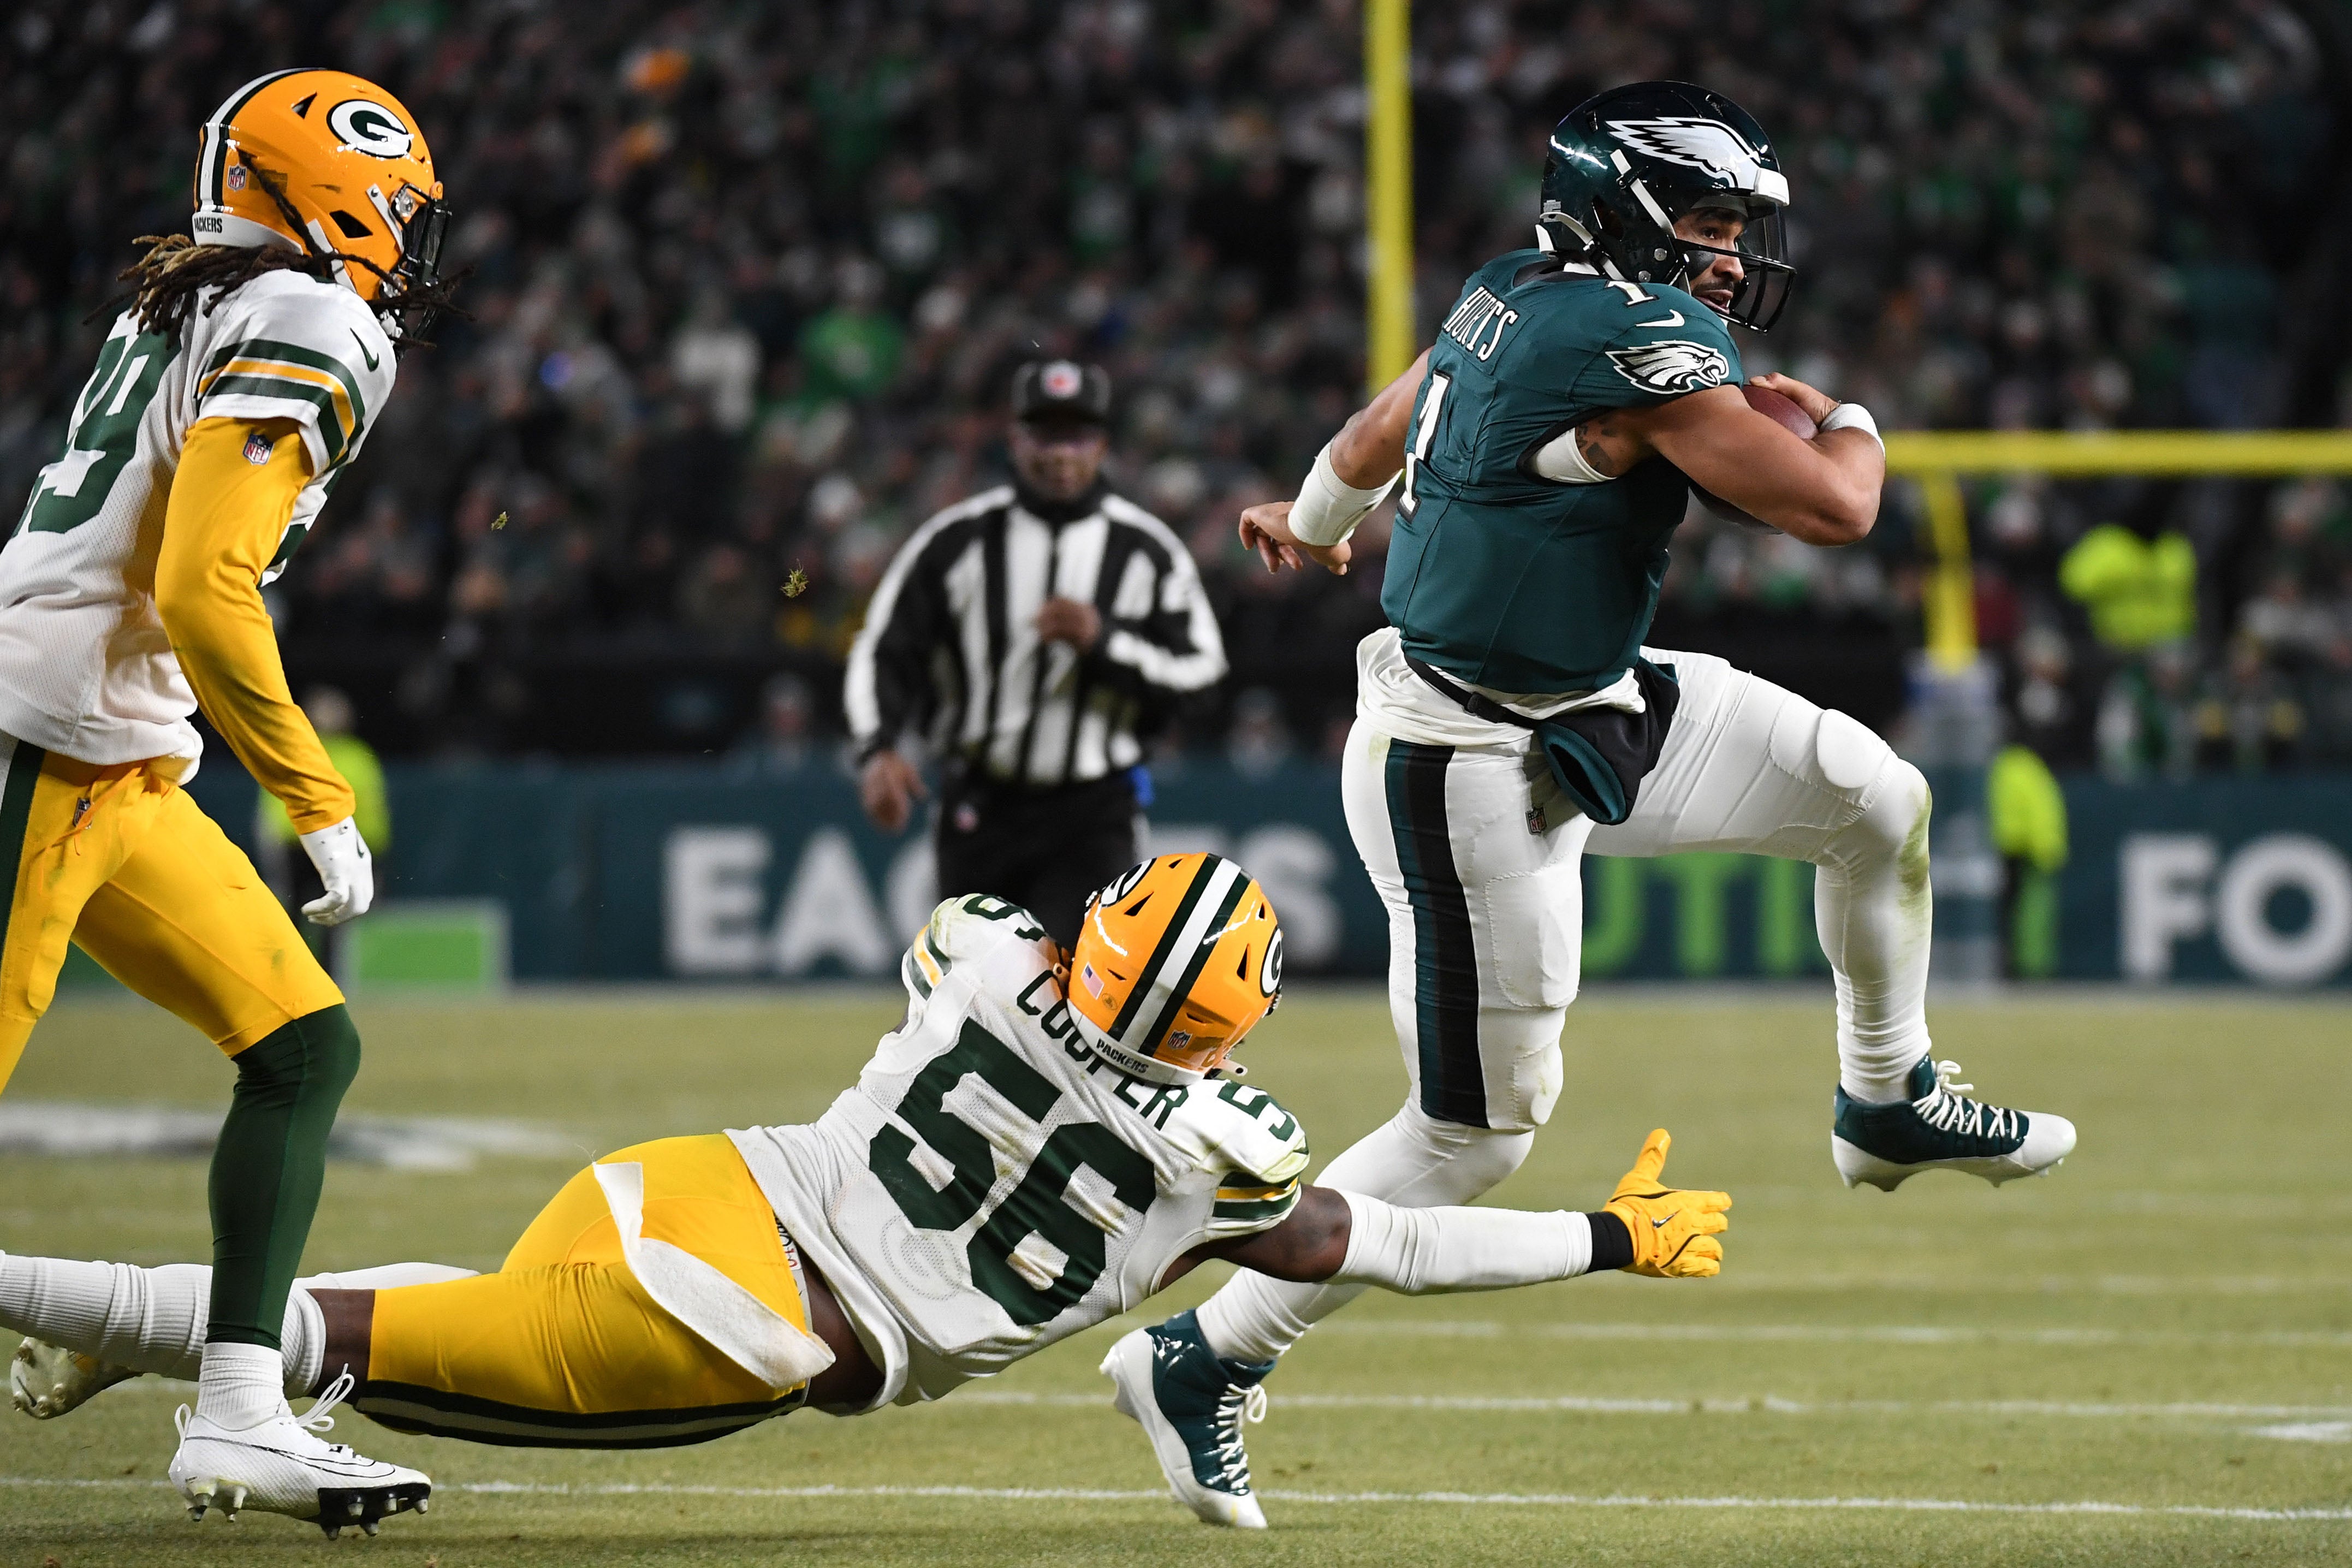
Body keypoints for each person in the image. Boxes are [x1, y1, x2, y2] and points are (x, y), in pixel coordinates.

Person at [1109, 80, 2077, 1525]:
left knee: (1874, 799)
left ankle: (1886, 1095)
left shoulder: (1513, 290)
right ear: (1622, 208)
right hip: (1463, 761)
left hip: (1589, 703)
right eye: (1707, 220)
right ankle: (1199, 1357)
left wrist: (1304, 520)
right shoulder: (1628, 335)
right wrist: (1853, 417)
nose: (1730, 254)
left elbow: (1388, 419)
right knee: (1473, 1137)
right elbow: (1837, 507)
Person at [1, 854, 1732, 1536]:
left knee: (407, 1318)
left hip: (699, 1187)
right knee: (339, 1345)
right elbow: (1404, 1246)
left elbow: (988, 939)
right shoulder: (1228, 1158)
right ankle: (83, 1315)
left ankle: (129, 1348)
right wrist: (1607, 1236)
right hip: (754, 1329)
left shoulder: (983, 961)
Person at [0, 69, 455, 1528]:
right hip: (35, 738)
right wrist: (315, 793)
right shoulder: (313, 318)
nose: (408, 235)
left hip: (109, 747)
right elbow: (202, 581)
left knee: (303, 1047)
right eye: (395, 204)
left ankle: (241, 1412)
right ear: (328, 195)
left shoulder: (192, 304)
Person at [845, 361, 1227, 946]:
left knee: (1077, 993)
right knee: (966, 994)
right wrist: (879, 747)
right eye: (1044, 434)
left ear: (1101, 443)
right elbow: (884, 649)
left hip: (1094, 810)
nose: (1059, 453)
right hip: (979, 804)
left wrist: (1104, 643)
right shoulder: (956, 542)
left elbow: (1203, 675)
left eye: (1075, 435)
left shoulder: (1147, 552)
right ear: (1015, 439)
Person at [256, 687, 391, 961]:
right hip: (296, 844)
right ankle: (291, 975)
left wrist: (373, 853)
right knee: (294, 913)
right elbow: (273, 802)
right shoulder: (295, 749)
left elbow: (371, 810)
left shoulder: (356, 756)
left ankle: (322, 981)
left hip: (332, 843)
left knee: (331, 917)